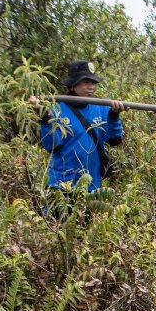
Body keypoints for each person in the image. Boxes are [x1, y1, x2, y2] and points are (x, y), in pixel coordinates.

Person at [36, 60, 127, 206]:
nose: (91, 87)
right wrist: (46, 119)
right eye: (85, 82)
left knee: (88, 226)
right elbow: (52, 146)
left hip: (92, 185)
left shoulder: (101, 107)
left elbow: (114, 140)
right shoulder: (57, 109)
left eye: (92, 82)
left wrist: (114, 116)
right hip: (61, 184)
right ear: (73, 84)